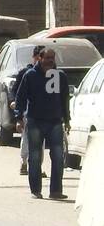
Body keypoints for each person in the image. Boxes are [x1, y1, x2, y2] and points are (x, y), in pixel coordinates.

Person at [13, 45, 71, 200]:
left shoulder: (60, 76)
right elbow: (21, 98)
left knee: (58, 156)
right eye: (47, 58)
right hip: (35, 121)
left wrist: (67, 119)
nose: (49, 61)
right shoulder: (30, 75)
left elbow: (64, 99)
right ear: (39, 58)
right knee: (35, 156)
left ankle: (55, 191)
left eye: (52, 59)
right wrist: (18, 118)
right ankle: (36, 190)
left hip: (55, 122)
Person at [10, 45, 45, 176]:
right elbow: (15, 91)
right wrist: (14, 103)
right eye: (40, 57)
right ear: (35, 57)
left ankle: (37, 167)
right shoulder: (25, 73)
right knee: (27, 138)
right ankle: (24, 162)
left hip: (43, 113)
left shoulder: (50, 74)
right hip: (27, 111)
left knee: (41, 141)